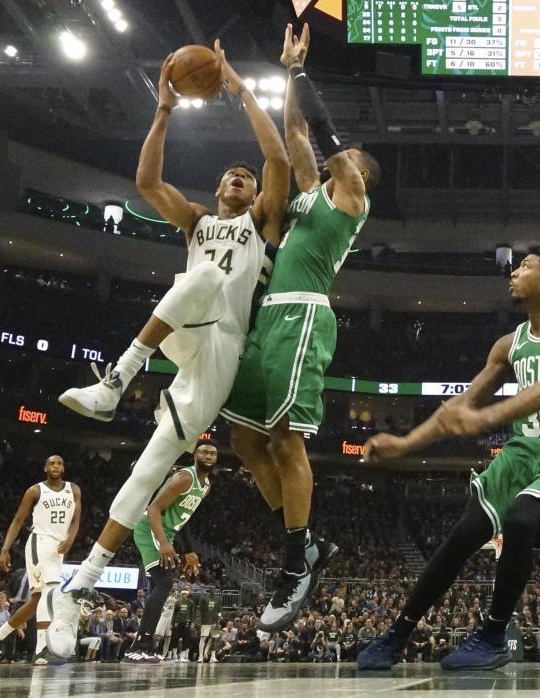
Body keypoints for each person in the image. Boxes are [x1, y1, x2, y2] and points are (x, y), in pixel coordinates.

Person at [45, 41, 290, 664]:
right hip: (188, 325)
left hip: (224, 346)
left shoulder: (262, 225)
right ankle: (117, 378)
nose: (243, 179)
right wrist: (163, 109)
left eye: (249, 179)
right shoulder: (197, 222)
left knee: (148, 470)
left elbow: (277, 157)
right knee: (200, 278)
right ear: (217, 186)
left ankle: (80, 586)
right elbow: (147, 182)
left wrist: (237, 85)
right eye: (232, 176)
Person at [358, 243, 540, 671]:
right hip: (523, 452)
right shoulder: (508, 344)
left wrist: (484, 419)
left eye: (525, 267)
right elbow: (462, 404)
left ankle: (492, 635)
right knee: (464, 533)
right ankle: (397, 633)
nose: (513, 274)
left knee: (520, 519)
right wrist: (405, 444)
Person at [220, 23, 380, 632]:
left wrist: (303, 76)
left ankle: (293, 566)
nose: (338, 158)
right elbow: (294, 134)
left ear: (360, 174)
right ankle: (307, 542)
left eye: (349, 159)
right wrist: (287, 71)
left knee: (287, 439)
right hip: (267, 316)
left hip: (305, 313)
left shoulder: (351, 201)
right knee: (242, 440)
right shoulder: (312, 194)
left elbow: (323, 133)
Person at [123, 440, 215, 664]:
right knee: (164, 584)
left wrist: (189, 551)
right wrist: (164, 543)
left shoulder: (205, 486)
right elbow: (154, 508)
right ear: (195, 455)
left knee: (159, 586)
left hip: (169, 533)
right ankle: (139, 645)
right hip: (150, 529)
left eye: (213, 453)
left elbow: (184, 521)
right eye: (204, 451)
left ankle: (146, 646)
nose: (209, 455)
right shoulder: (185, 477)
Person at [0, 455, 80, 664]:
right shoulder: (35, 490)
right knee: (49, 593)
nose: (55, 466)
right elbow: (18, 520)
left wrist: (71, 539)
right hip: (39, 543)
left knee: (37, 600)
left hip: (59, 548)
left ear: (64, 468)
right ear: (45, 468)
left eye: (59, 463)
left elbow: (76, 519)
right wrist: (5, 549)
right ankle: (41, 649)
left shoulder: (74, 489)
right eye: (51, 463)